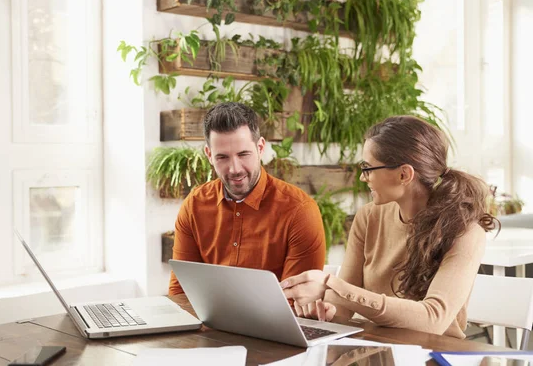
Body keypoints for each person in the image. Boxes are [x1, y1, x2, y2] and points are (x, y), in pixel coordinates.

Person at [280, 115, 497, 339]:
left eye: (368, 168)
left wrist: (332, 286)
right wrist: (324, 309)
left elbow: (434, 319)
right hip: (373, 348)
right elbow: (343, 308)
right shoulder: (368, 217)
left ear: (404, 174)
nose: (363, 178)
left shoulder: (465, 232)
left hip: (435, 353)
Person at [169, 102, 326, 295]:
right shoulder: (194, 206)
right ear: (209, 155)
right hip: (209, 325)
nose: (235, 169)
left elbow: (299, 302)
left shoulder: (299, 211)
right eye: (222, 157)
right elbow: (181, 292)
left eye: (243, 154)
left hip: (275, 325)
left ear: (260, 147)